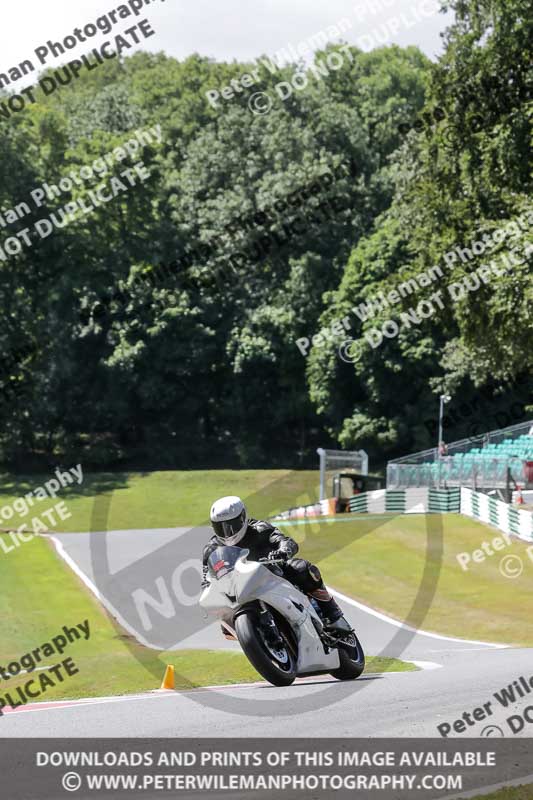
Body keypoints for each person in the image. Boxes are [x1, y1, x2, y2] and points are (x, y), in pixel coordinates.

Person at [202, 495, 350, 631]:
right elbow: (207, 577)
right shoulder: (212, 549)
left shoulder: (259, 529)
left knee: (301, 568)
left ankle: (333, 615)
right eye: (220, 527)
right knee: (225, 624)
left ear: (243, 517)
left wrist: (283, 550)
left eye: (231, 525)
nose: (227, 532)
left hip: (273, 574)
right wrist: (207, 588)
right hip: (242, 591)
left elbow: (284, 540)